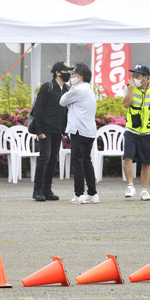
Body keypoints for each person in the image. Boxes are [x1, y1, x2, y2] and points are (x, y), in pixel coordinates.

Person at [122, 64, 150, 201]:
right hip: (131, 129)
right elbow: (126, 104)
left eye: (137, 76)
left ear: (145, 78)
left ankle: (144, 191)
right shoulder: (129, 87)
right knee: (127, 157)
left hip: (148, 131)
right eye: (133, 75)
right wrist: (132, 89)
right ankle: (130, 186)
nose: (134, 78)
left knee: (146, 162)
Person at [31, 61, 72, 201]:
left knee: (53, 159)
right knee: (45, 158)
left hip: (58, 130)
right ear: (58, 73)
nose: (69, 74)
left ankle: (47, 190)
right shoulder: (47, 87)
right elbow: (38, 110)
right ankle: (38, 190)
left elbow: (67, 112)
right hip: (45, 129)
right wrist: (39, 130)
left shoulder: (67, 89)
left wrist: (65, 130)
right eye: (66, 72)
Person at [59, 63, 98, 204]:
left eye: (74, 74)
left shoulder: (78, 90)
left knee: (78, 162)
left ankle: (79, 194)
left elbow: (62, 101)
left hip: (79, 131)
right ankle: (92, 193)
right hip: (89, 131)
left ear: (80, 76)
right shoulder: (89, 89)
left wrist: (71, 89)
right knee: (87, 161)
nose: (72, 76)